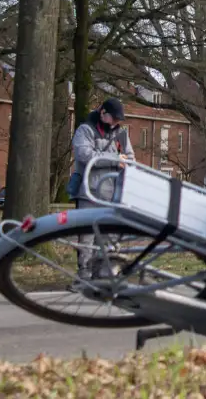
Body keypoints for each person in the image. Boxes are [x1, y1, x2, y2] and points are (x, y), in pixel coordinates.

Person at [67, 98, 135, 283]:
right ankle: (83, 275)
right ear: (103, 113)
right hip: (89, 192)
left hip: (113, 195)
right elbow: (84, 155)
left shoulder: (121, 134)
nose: (116, 123)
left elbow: (130, 157)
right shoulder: (85, 130)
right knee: (86, 238)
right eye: (114, 118)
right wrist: (114, 159)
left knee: (108, 237)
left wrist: (125, 161)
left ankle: (102, 275)